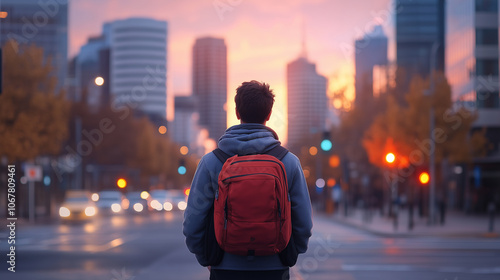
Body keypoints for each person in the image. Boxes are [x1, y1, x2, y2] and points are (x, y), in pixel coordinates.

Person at [183, 80, 313, 280]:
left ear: (237, 113)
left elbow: (193, 223)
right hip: (274, 268)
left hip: (225, 267)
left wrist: (207, 257)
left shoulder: (211, 162)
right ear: (269, 115)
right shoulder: (289, 163)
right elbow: (303, 224)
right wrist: (289, 254)